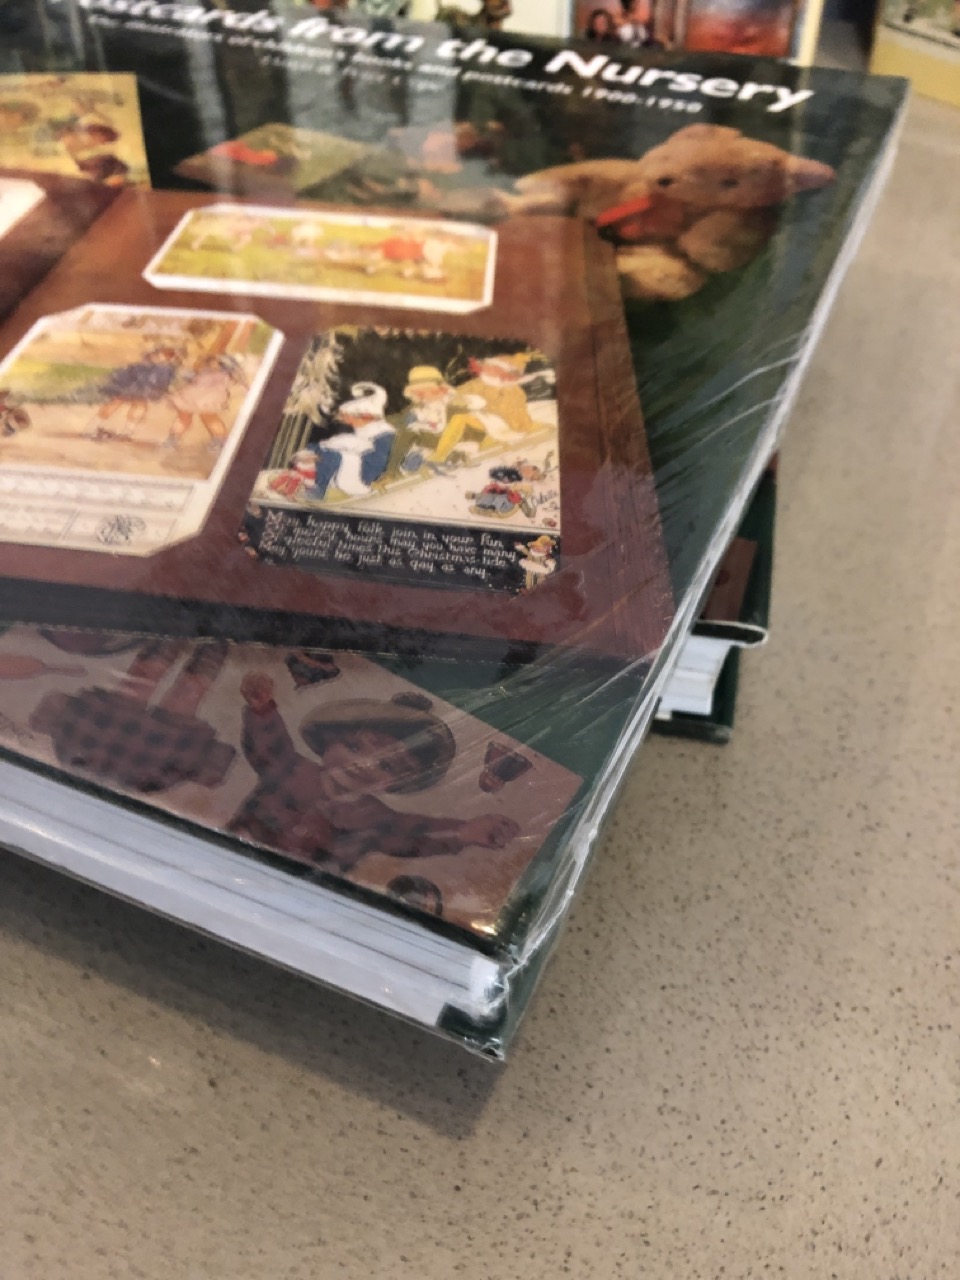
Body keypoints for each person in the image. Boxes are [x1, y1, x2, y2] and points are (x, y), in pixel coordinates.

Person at [229, 676, 520, 872]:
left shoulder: (376, 818)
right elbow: (269, 747)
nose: (363, 764)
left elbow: (415, 834)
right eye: (354, 746)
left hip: (298, 893)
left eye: (386, 766)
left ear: (395, 783)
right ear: (329, 741)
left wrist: (464, 832)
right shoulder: (292, 769)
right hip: (230, 856)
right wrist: (262, 711)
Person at [307, 382, 396, 500]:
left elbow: (375, 464)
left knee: (331, 457)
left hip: (363, 473)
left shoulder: (382, 435)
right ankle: (308, 482)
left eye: (349, 417)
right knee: (316, 451)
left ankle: (320, 491)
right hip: (350, 464)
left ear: (364, 416)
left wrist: (345, 453)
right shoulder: (360, 430)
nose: (348, 422)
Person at [84, 345, 182, 442]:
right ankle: (96, 428)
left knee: (132, 405)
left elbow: (157, 381)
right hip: (135, 386)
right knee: (125, 404)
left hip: (135, 386)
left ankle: (119, 431)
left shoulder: (160, 366)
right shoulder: (163, 367)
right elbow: (159, 382)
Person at [165, 353, 247, 451]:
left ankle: (220, 440)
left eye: (216, 363)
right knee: (185, 417)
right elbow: (189, 375)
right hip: (193, 395)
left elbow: (236, 380)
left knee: (208, 418)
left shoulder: (223, 372)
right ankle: (173, 438)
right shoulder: (205, 370)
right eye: (211, 362)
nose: (213, 364)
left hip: (208, 396)